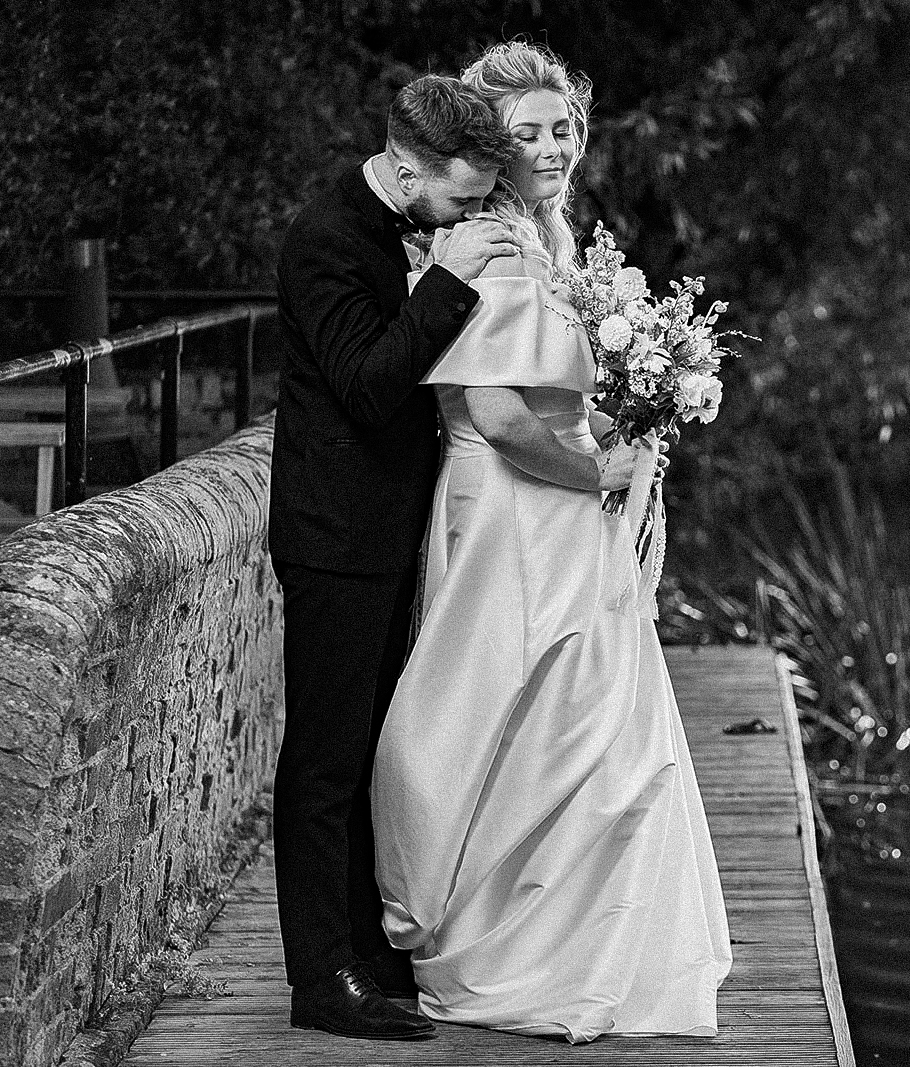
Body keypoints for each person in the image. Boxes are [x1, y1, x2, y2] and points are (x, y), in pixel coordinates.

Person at [370, 41, 733, 1042]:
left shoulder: (556, 240)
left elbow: (562, 397)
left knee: (595, 726)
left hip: (565, 511)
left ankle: (594, 942)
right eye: (526, 132)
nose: (553, 146)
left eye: (563, 126)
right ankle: (507, 943)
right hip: (508, 514)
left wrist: (639, 415)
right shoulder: (485, 244)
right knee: (505, 713)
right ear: (491, 143)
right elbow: (498, 413)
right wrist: (601, 470)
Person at [269, 74, 531, 1041]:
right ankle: (318, 978)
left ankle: (371, 956)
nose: (471, 213)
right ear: (407, 167)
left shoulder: (405, 223)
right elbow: (373, 389)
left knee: (375, 751)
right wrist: (450, 279)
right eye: (461, 197)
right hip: (335, 535)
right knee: (324, 762)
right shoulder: (326, 241)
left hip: (391, 529)